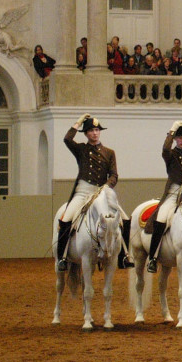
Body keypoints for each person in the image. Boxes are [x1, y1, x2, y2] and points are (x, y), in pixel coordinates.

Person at [58, 115, 133, 271]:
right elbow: (67, 139)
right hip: (83, 192)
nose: (94, 133)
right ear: (86, 133)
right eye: (91, 130)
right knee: (66, 219)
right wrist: (78, 122)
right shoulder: (81, 149)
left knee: (124, 219)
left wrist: (106, 186)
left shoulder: (109, 152)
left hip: (101, 192)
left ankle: (124, 256)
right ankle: (62, 257)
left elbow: (114, 175)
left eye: (97, 130)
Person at [145, 122, 182, 273]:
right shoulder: (171, 155)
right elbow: (165, 148)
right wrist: (171, 131)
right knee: (161, 218)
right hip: (174, 193)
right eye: (179, 138)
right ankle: (153, 257)